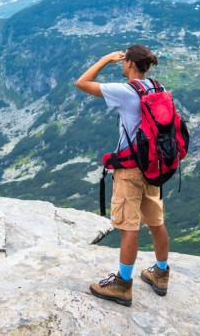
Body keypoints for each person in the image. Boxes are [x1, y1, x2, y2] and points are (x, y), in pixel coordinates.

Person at [74, 44, 170, 307]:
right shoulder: (157, 88)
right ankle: (161, 273)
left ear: (128, 63)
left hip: (129, 171)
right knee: (156, 222)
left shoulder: (125, 92)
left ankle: (122, 285)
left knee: (128, 227)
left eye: (123, 59)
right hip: (153, 167)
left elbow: (82, 82)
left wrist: (105, 58)